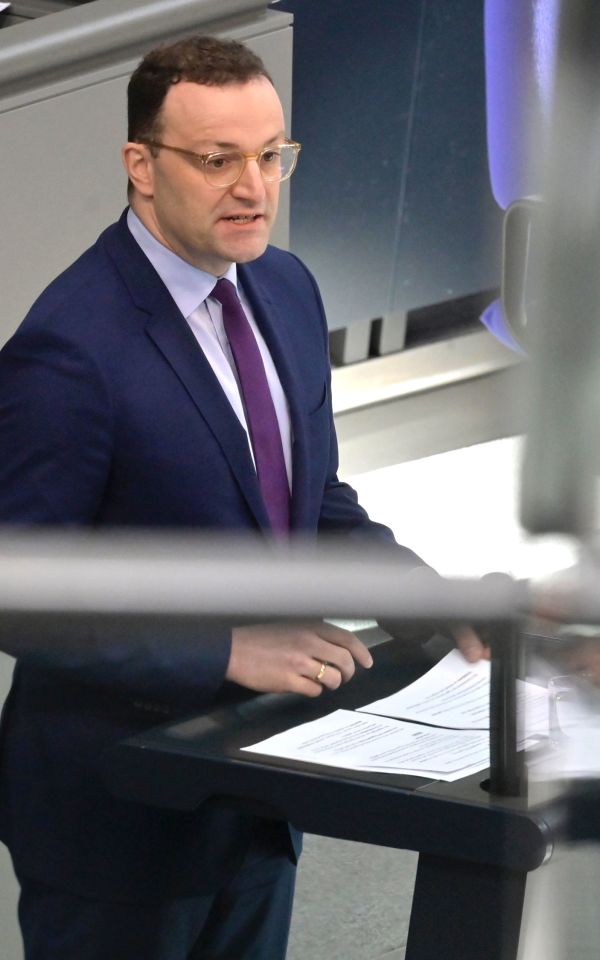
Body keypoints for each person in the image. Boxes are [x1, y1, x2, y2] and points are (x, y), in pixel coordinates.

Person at [0, 35, 480, 959]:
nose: (254, 188)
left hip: (257, 789)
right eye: (218, 160)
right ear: (142, 166)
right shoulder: (70, 350)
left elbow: (314, 502)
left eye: (272, 155)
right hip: (120, 821)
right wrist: (223, 649)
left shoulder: (284, 288)